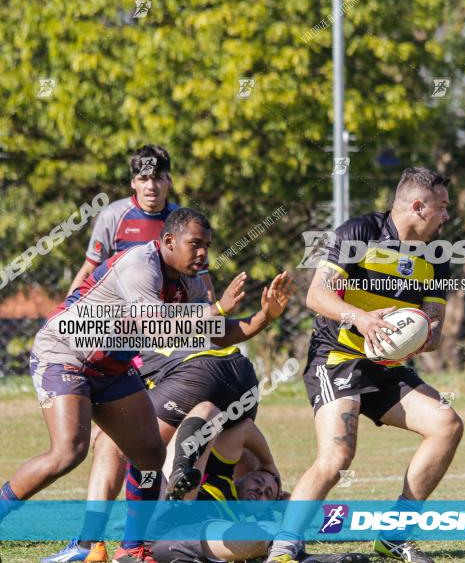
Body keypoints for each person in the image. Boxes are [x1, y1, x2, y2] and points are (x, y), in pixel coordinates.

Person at [0, 208, 290, 563]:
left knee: (150, 454)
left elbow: (214, 335)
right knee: (68, 452)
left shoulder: (192, 283)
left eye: (207, 246)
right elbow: (153, 323)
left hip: (113, 367)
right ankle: (74, 543)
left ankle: (133, 550)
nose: (203, 254)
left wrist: (265, 316)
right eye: (195, 244)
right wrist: (215, 309)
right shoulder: (140, 262)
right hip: (66, 353)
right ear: (168, 241)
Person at [267, 168, 464, 563]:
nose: (447, 216)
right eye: (441, 207)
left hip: (385, 364)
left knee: (447, 425)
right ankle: (284, 547)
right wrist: (363, 319)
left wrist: (417, 332)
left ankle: (394, 536)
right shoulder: (358, 233)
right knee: (337, 457)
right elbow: (317, 295)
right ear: (417, 206)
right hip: (337, 356)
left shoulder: (436, 255)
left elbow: (435, 332)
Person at [151, 411, 367, 563]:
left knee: (267, 533)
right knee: (209, 410)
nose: (260, 491)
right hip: (166, 523)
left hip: (194, 538)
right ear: (244, 476)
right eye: (259, 481)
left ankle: (304, 559)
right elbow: (245, 428)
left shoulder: (247, 520)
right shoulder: (219, 477)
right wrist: (268, 464)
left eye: (267, 495)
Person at [68, 145, 213, 299]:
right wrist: (67, 314)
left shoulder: (185, 221)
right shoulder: (112, 216)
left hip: (168, 314)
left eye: (157, 178)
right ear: (133, 182)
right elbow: (90, 268)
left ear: (169, 181)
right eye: (143, 179)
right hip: (120, 312)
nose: (150, 186)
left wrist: (213, 317)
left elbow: (201, 275)